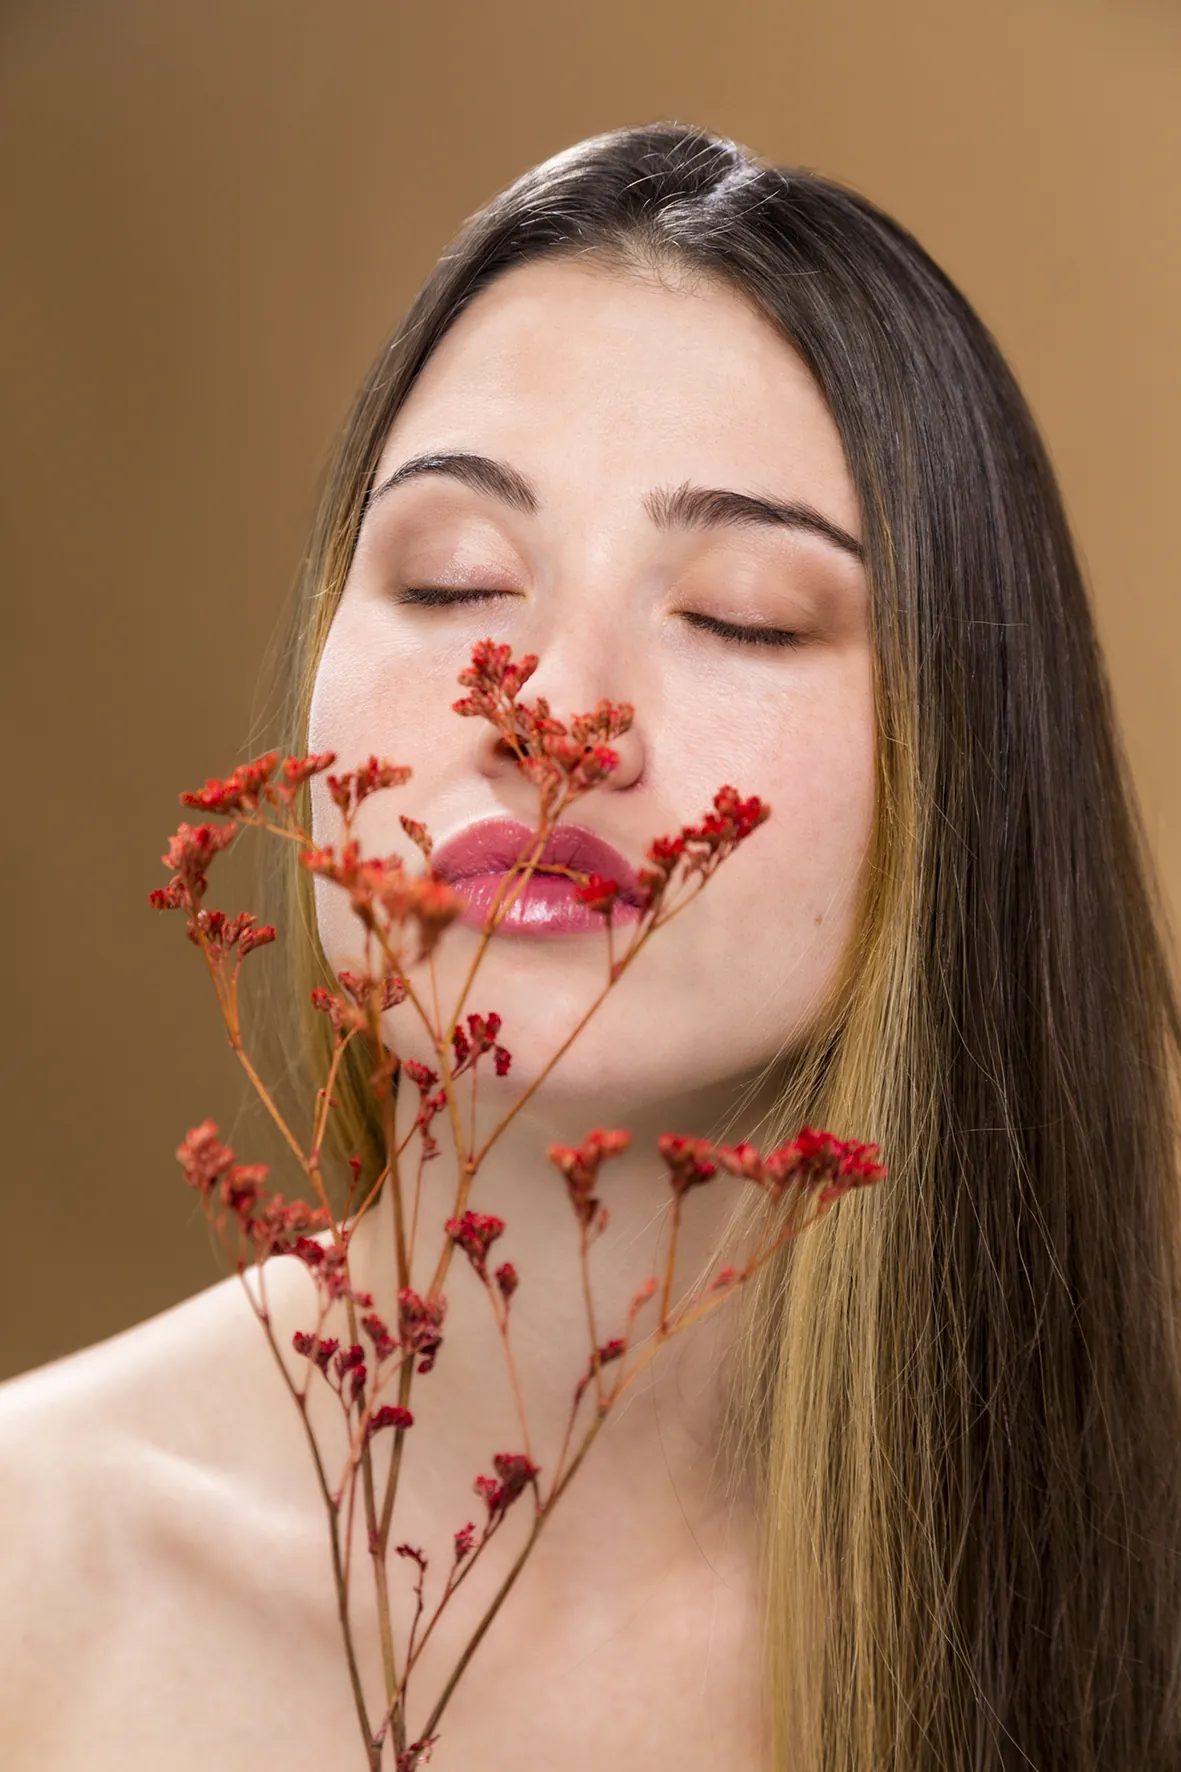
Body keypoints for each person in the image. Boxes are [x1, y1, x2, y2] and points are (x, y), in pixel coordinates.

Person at [2, 120, 1180, 1772]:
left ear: (970, 770)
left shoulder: (1112, 1609)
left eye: (740, 617)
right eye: (454, 579)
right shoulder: (32, 1582)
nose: (555, 718)